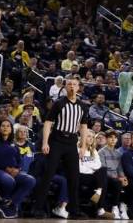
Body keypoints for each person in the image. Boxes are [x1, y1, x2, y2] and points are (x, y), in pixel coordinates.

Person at [31, 77, 88, 219]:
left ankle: (74, 210)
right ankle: (37, 208)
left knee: (74, 176)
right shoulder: (59, 103)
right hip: (57, 140)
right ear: (65, 87)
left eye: (75, 84)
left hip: (72, 142)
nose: (72, 87)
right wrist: (45, 142)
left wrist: (83, 146)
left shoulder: (82, 105)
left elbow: (83, 127)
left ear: (79, 87)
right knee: (48, 174)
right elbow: (48, 123)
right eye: (69, 84)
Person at [0, 120, 36, 218]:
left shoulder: (13, 144)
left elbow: (19, 160)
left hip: (13, 171)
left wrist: (18, 169)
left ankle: (10, 205)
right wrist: (6, 168)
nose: (5, 128)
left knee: (30, 180)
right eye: (3, 126)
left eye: (8, 126)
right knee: (9, 180)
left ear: (11, 129)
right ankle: (4, 203)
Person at [79, 129, 113, 218]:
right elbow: (79, 167)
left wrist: (90, 167)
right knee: (103, 179)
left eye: (93, 137)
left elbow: (98, 165)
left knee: (103, 170)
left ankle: (98, 191)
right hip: (81, 175)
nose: (91, 139)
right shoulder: (78, 149)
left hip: (93, 176)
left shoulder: (93, 150)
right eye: (89, 136)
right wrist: (91, 168)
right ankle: (100, 209)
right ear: (83, 137)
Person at [98, 130, 129, 219]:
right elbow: (103, 168)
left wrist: (123, 177)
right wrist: (118, 178)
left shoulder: (118, 153)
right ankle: (111, 206)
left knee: (122, 182)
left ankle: (116, 207)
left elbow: (119, 168)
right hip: (105, 177)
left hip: (116, 177)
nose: (113, 140)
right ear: (107, 139)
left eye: (115, 138)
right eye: (110, 137)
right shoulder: (101, 152)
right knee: (116, 182)